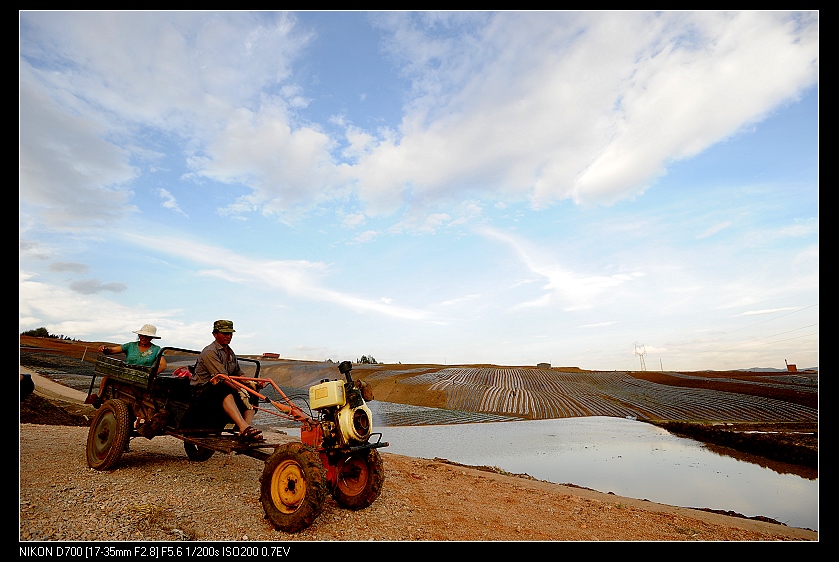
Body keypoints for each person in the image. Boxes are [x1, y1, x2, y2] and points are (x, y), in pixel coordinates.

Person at [192, 320, 263, 442]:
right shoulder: (210, 352)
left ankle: (246, 428)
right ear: (215, 334)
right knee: (223, 389)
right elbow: (222, 377)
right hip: (201, 390)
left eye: (230, 334)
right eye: (224, 333)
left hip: (221, 384)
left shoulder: (230, 352)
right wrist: (240, 389)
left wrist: (252, 384)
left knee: (252, 392)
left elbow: (238, 373)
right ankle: (243, 427)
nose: (228, 336)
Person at [91, 324, 167, 404]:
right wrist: (105, 349)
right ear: (139, 335)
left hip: (143, 377)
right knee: (106, 377)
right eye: (141, 335)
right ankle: (99, 398)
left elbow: (163, 365)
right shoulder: (130, 345)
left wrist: (150, 375)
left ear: (151, 338)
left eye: (147, 336)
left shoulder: (156, 349)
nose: (143, 338)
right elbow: (111, 351)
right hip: (125, 373)